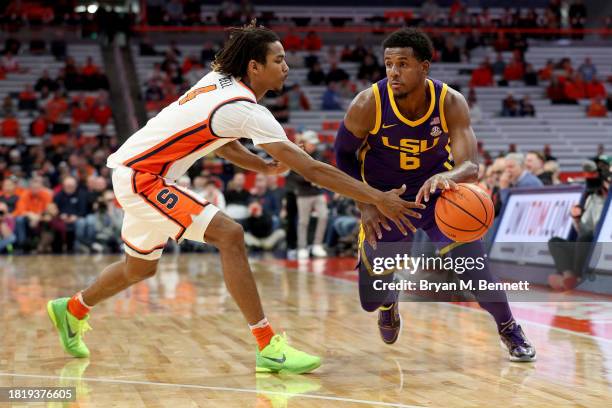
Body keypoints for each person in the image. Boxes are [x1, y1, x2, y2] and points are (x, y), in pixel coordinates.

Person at [46, 22, 420, 374]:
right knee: (230, 234)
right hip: (144, 178)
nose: (287, 67)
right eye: (279, 60)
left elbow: (218, 141)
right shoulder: (244, 109)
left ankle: (72, 309)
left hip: (137, 174)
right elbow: (313, 170)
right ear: (254, 67)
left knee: (139, 268)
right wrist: (377, 198)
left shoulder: (219, 83)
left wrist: (260, 166)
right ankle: (268, 345)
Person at [334, 28, 536, 361]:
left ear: (424, 67)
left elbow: (470, 165)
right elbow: (342, 157)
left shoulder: (450, 101)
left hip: (437, 199)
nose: (394, 72)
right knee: (370, 300)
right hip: (386, 201)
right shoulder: (368, 102)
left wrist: (448, 175)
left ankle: (509, 327)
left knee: (476, 269)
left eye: (403, 64)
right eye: (388, 64)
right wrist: (366, 203)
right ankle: (389, 299)